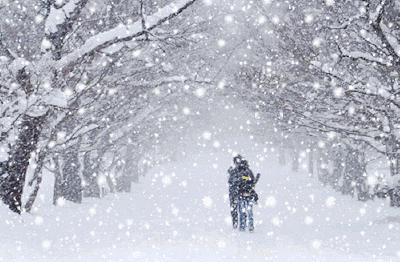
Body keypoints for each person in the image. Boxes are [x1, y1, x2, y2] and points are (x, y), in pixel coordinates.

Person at [228, 155, 260, 232]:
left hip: (242, 194)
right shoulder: (237, 171)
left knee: (245, 211)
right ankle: (244, 226)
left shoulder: (244, 171)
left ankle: (245, 226)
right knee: (244, 211)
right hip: (241, 194)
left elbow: (250, 179)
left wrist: (243, 179)